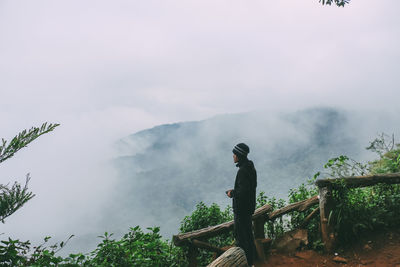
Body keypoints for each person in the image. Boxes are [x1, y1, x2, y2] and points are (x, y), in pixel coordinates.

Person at [226, 143, 257, 266]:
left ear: (239, 155)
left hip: (242, 211)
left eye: (234, 154)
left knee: (241, 239)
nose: (233, 156)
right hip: (249, 209)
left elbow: (243, 192)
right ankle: (251, 262)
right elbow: (250, 188)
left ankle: (245, 263)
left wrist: (232, 193)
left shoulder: (242, 171)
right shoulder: (250, 167)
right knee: (248, 237)